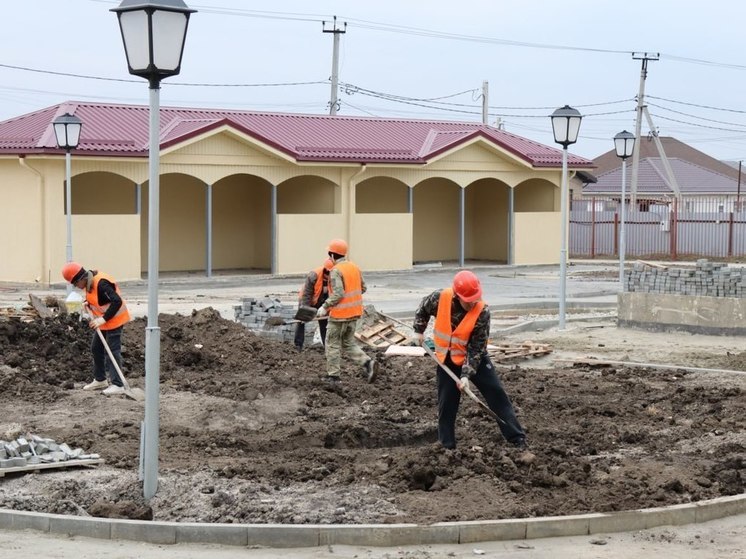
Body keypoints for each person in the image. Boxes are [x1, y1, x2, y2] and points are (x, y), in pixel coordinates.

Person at [411, 270, 527, 450]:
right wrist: (418, 330)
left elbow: (476, 348)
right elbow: (422, 310)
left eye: (475, 297)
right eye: (468, 299)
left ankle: (517, 438)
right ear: (457, 296)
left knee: (496, 394)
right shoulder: (439, 298)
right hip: (447, 360)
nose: (473, 302)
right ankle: (447, 446)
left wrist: (465, 375)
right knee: (446, 404)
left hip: (474, 359)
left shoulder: (482, 311)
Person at [61, 262, 131, 396]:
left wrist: (103, 319)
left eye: (75, 284)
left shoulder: (101, 284)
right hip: (103, 322)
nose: (76, 287)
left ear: (81, 278)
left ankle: (118, 384)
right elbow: (101, 300)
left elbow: (117, 301)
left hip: (114, 320)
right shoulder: (89, 282)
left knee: (111, 351)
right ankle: (100, 380)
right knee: (96, 348)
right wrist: (88, 303)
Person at [316, 239, 379, 384]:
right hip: (354, 314)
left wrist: (325, 306)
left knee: (332, 344)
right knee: (348, 343)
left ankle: (333, 377)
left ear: (332, 255)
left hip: (339, 316)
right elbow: (363, 288)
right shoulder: (354, 267)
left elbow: (338, 293)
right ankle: (367, 363)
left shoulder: (335, 271)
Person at [294, 257, 334, 351]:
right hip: (307, 300)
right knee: (301, 321)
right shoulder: (314, 275)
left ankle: (327, 347)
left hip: (322, 301)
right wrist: (305, 312)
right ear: (326, 270)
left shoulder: (335, 278)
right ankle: (298, 345)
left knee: (324, 322)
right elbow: (306, 295)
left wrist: (326, 308)